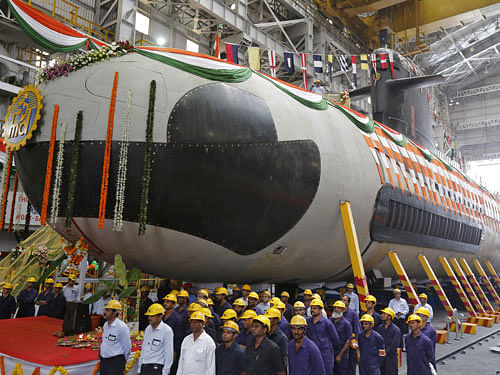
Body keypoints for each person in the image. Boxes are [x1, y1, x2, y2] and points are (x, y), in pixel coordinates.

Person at [306, 298, 339, 374]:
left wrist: (328, 350)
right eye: (311, 308)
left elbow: (336, 340)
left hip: (325, 356)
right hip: (311, 355)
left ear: (321, 310)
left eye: (315, 308)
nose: (312, 310)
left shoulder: (328, 323)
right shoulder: (308, 322)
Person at [138, 303, 174, 375]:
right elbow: (144, 349)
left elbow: (168, 353)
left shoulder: (167, 330)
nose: (149, 318)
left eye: (152, 316)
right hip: (145, 366)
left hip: (156, 367)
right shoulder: (148, 329)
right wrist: (139, 368)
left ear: (160, 316)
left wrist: (165, 372)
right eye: (149, 315)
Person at [177, 311, 216, 375]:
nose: (193, 324)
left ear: (203, 323)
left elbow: (210, 367)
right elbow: (181, 362)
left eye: (196, 322)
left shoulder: (209, 342)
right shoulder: (186, 340)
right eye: (192, 322)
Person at [100, 300, 131, 375]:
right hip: (104, 361)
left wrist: (122, 361)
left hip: (115, 362)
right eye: (105, 310)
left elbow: (127, 347)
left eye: (108, 310)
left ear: (114, 313)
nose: (105, 312)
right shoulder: (105, 325)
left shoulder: (121, 327)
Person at [376, 308, 401, 375]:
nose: (382, 315)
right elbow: (377, 340)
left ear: (389, 317)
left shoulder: (396, 330)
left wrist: (385, 352)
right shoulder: (380, 328)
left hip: (391, 359)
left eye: (384, 314)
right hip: (381, 357)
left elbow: (395, 344)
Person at [331, 301, 352, 375]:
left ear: (343, 310)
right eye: (335, 308)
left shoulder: (346, 323)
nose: (336, 309)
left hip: (342, 354)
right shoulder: (330, 321)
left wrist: (340, 355)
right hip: (331, 353)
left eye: (339, 308)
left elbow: (349, 340)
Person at [162, 293, 185, 360]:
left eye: (168, 302)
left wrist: (175, 351)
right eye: (165, 301)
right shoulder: (162, 316)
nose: (165, 303)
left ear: (173, 304)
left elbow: (179, 337)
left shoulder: (177, 318)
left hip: (171, 347)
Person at [342, 295, 360, 375]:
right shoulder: (338, 313)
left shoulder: (353, 314)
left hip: (351, 342)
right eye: (342, 300)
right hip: (341, 342)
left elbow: (357, 329)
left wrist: (355, 343)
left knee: (351, 362)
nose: (343, 302)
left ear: (348, 303)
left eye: (345, 300)